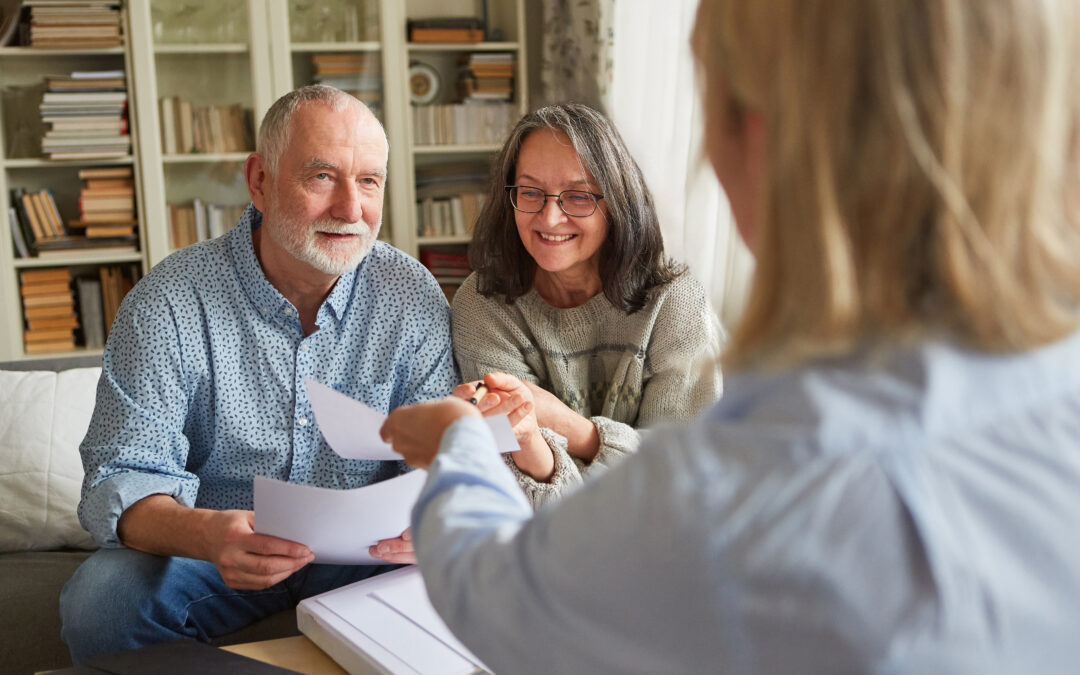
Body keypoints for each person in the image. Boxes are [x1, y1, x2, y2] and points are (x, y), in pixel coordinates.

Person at [379, 0, 1080, 672]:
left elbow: (501, 601)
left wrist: (460, 446)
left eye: (713, 93)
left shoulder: (735, 488)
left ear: (760, 132)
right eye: (529, 191)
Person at [59, 85, 457, 663]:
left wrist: (434, 514)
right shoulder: (169, 301)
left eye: (369, 181)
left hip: (367, 551)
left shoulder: (410, 293)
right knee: (102, 603)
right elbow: (121, 475)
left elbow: (438, 453)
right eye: (322, 177)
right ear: (260, 180)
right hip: (211, 547)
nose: (351, 209)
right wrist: (209, 535)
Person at [449, 103, 723, 509]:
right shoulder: (482, 305)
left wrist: (572, 428)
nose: (550, 217)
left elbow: (688, 476)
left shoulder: (674, 300)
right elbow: (524, 498)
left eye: (577, 196)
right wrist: (527, 438)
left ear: (616, 202)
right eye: (530, 192)